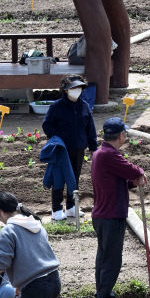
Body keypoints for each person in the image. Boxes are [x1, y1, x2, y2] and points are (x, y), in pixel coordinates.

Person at [90, 117, 146, 298]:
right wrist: (140, 173)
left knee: (104, 259)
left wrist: (131, 183)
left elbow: (115, 180)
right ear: (121, 136)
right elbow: (131, 169)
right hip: (110, 215)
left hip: (103, 214)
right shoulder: (109, 155)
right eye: (125, 134)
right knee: (111, 261)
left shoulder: (100, 153)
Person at [41, 74, 97, 221]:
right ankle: (57, 209)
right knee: (59, 178)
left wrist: (93, 146)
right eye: (74, 88)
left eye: (79, 87)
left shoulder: (84, 106)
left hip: (79, 149)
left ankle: (72, 207)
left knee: (75, 178)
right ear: (66, 90)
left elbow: (90, 128)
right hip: (61, 150)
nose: (77, 90)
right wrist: (56, 139)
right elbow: (47, 125)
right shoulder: (56, 107)